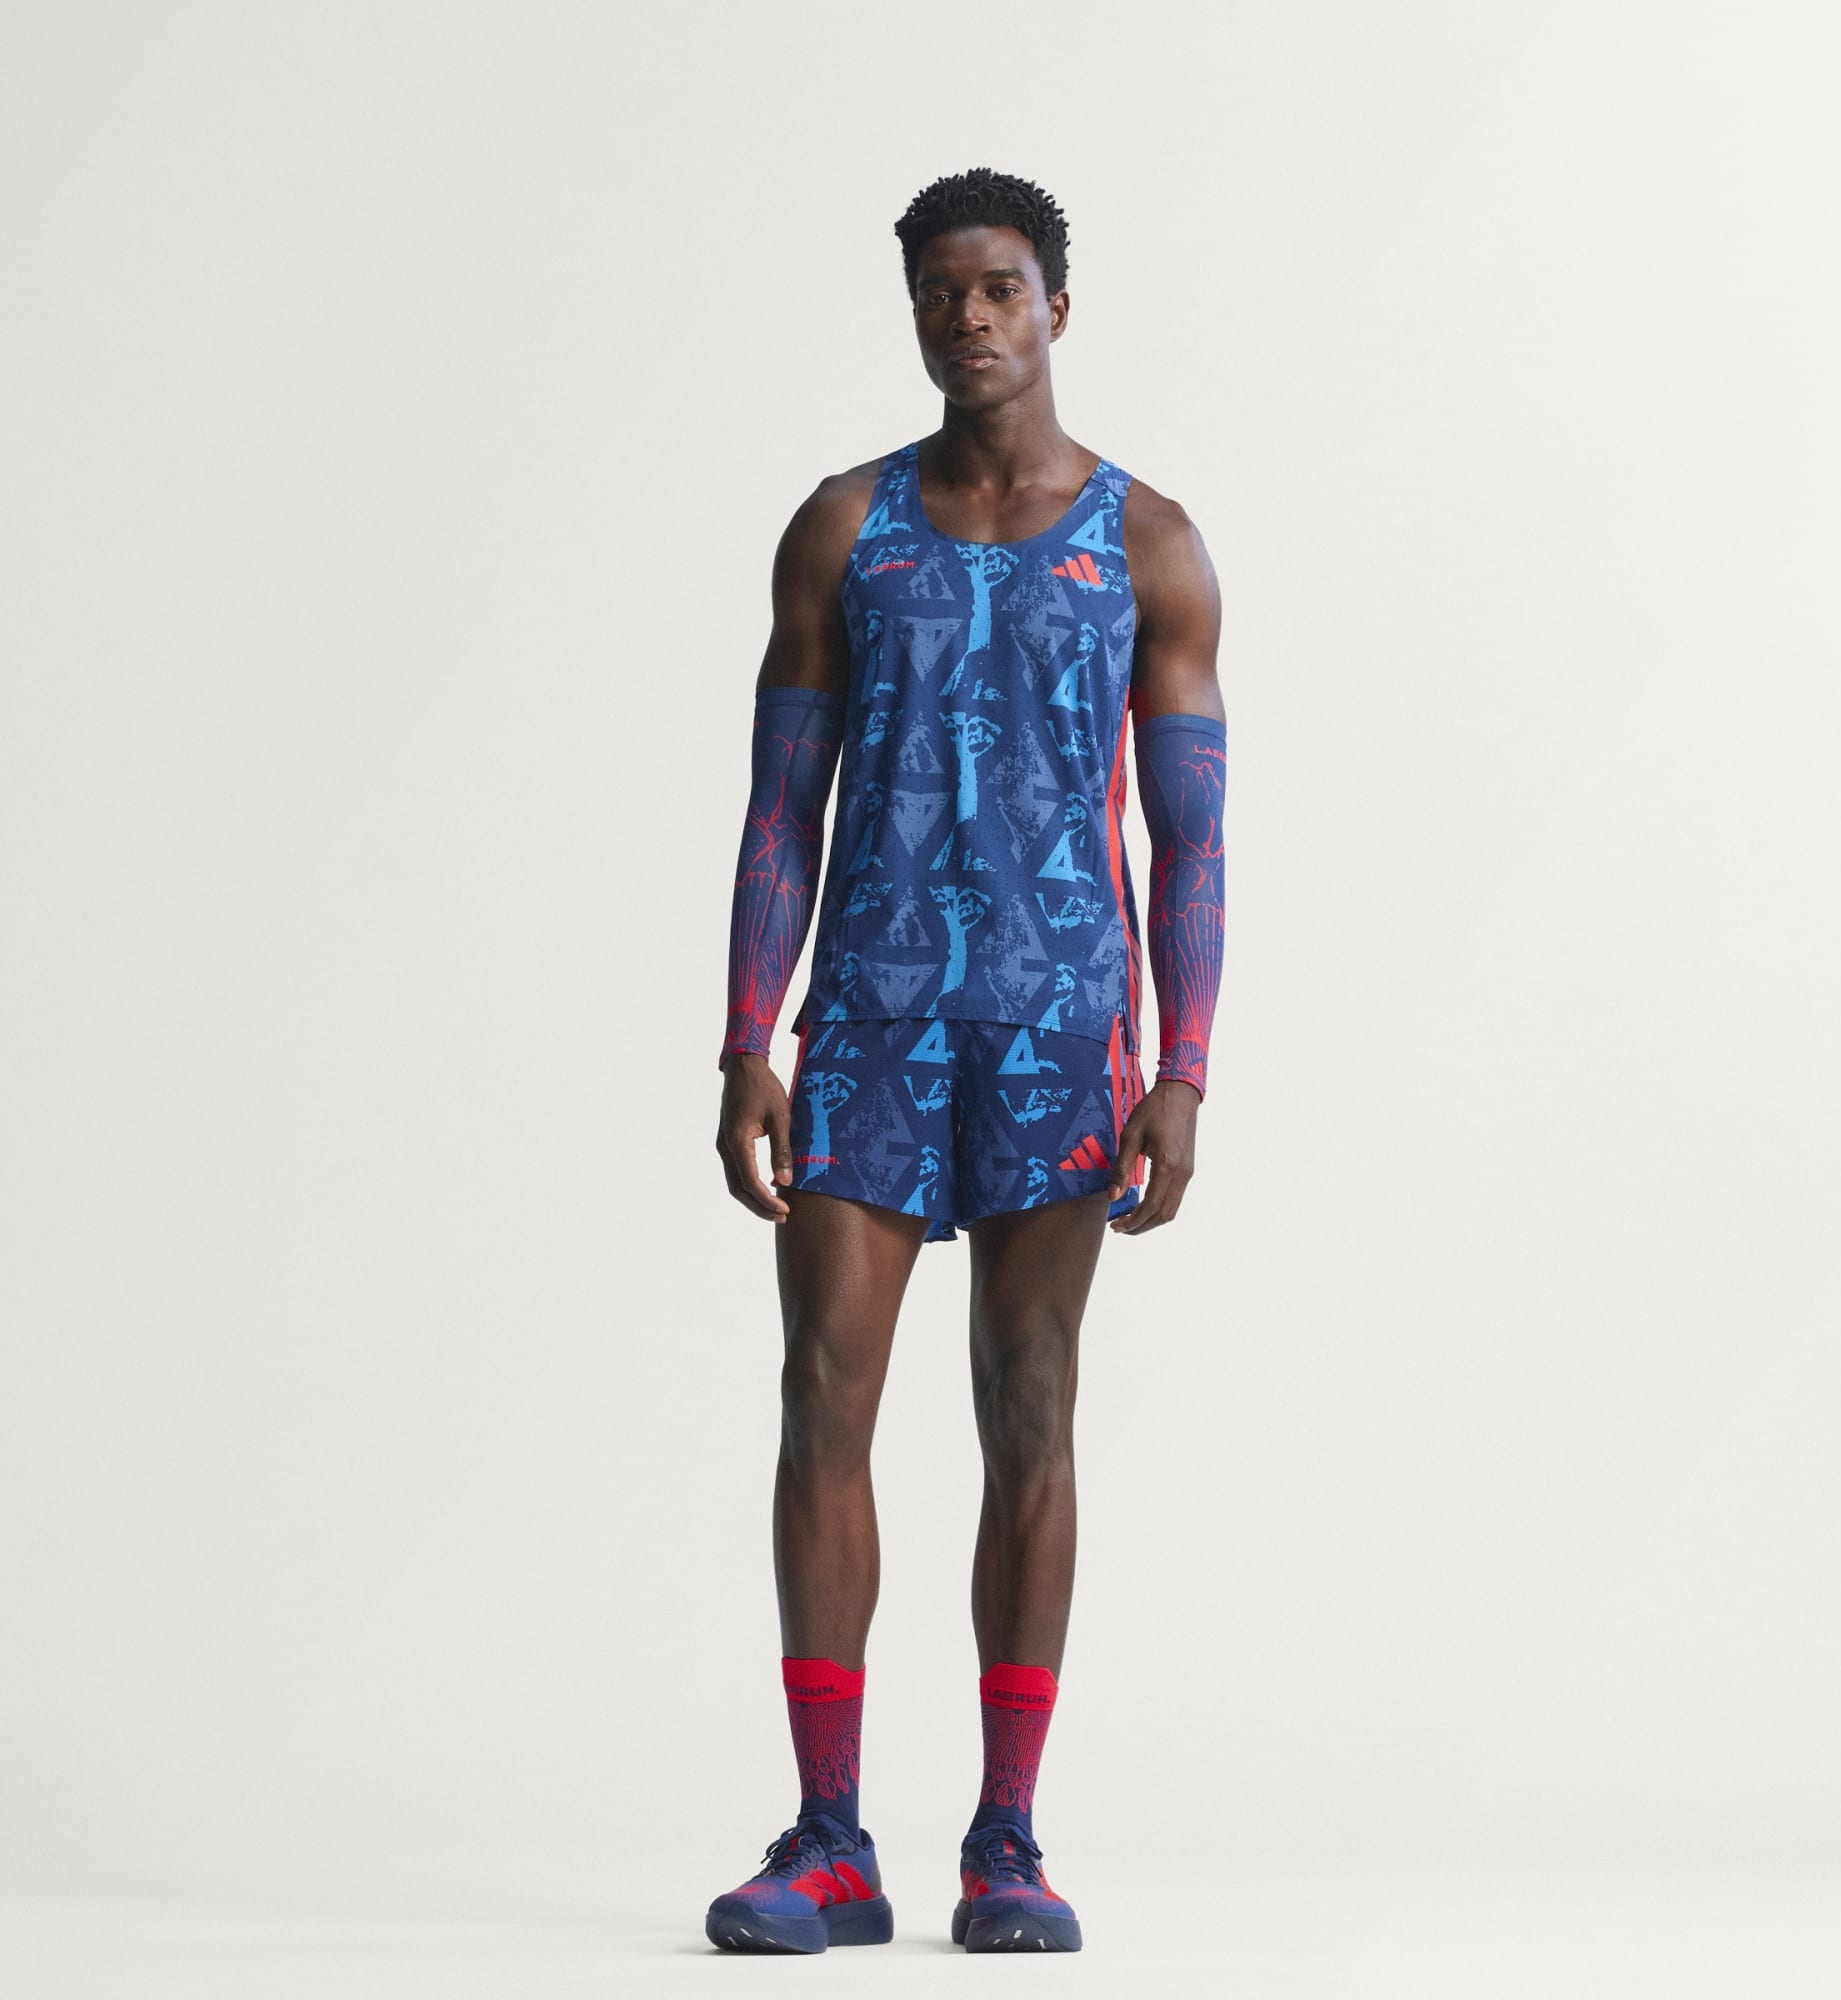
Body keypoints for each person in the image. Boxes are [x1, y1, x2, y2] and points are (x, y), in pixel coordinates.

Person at [705, 166, 1227, 1956]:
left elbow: (1192, 836)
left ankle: (1006, 1840)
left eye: (999, 288)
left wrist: (1184, 1067)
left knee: (1030, 1401)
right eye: (941, 292)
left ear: (1056, 306)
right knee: (822, 1395)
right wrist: (747, 1037)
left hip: (1058, 1026)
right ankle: (828, 1840)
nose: (971, 319)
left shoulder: (1148, 543)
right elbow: (782, 808)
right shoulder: (844, 528)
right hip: (866, 1021)